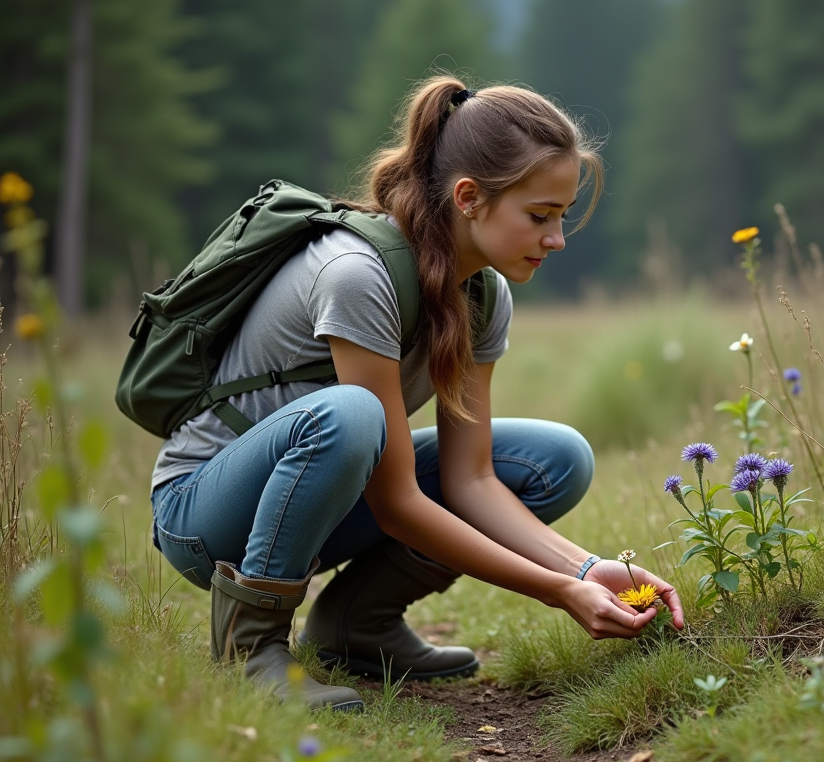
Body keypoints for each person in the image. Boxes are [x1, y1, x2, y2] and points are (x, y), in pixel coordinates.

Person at [147, 76, 685, 711]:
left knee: (556, 459)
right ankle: (250, 649)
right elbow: (397, 500)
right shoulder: (357, 274)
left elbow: (472, 481)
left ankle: (357, 624)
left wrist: (587, 571)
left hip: (329, 495)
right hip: (206, 515)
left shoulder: (485, 295)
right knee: (351, 416)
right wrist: (556, 591)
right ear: (469, 198)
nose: (556, 239)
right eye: (539, 216)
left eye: (561, 217)